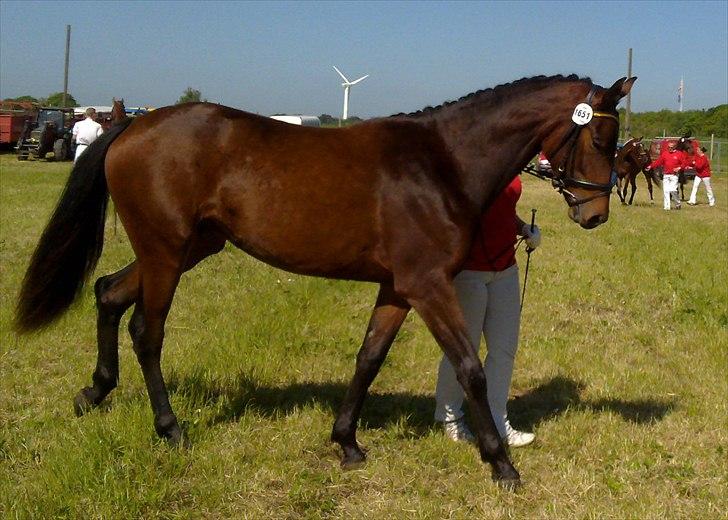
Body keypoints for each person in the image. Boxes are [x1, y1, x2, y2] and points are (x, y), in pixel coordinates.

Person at [434, 175, 540, 448]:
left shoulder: (509, 159)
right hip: (469, 270)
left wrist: (523, 228)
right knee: (464, 349)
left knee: (504, 348)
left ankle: (497, 420)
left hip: (505, 267)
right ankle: (449, 416)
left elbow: (504, 210)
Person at [646, 141, 686, 210]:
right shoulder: (665, 154)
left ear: (674, 147)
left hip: (674, 175)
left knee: (673, 190)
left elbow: (684, 163)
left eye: (671, 147)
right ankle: (667, 207)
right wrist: (650, 166)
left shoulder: (679, 154)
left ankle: (678, 203)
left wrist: (679, 168)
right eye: (669, 147)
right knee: (666, 191)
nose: (670, 148)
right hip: (666, 175)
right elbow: (658, 162)